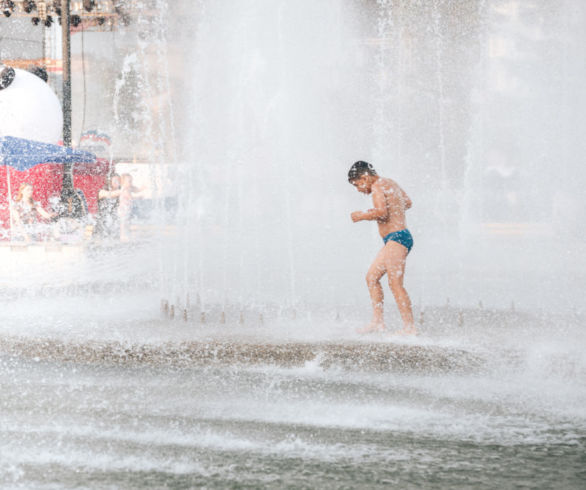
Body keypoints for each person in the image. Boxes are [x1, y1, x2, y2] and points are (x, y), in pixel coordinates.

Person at [348, 161, 416, 335]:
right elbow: (407, 202)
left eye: (357, 185)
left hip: (397, 238)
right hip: (397, 238)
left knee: (395, 283)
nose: (358, 190)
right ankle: (377, 322)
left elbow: (382, 212)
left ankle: (409, 327)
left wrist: (362, 215)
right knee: (372, 277)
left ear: (365, 177)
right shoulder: (389, 182)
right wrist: (390, 208)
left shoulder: (377, 186)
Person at [94, 174, 121, 239]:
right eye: (115, 180)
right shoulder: (102, 192)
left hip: (113, 225)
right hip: (102, 225)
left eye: (119, 181)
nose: (117, 182)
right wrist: (126, 188)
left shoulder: (119, 194)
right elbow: (111, 194)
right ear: (109, 181)